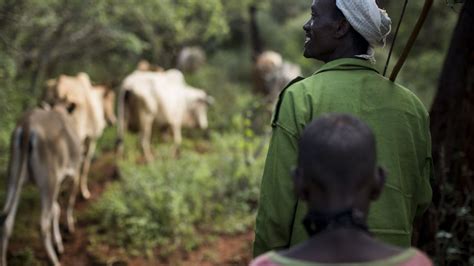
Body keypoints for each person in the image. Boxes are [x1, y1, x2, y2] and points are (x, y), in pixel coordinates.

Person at [253, 0, 433, 257]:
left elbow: (276, 208)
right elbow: (421, 200)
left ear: (341, 27)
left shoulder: (301, 97)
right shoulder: (413, 108)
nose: (307, 25)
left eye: (314, 17)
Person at [251, 114, 433, 266]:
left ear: (299, 184)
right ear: (378, 183)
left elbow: (273, 217)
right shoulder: (416, 263)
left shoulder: (266, 265)